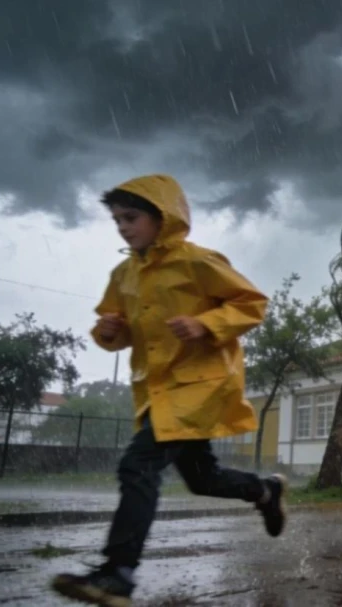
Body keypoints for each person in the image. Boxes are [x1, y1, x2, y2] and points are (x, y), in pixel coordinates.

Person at [52, 175, 283, 607]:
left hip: (200, 385)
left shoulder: (197, 262)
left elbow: (252, 303)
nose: (122, 226)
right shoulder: (124, 274)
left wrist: (205, 324)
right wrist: (107, 331)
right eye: (117, 219)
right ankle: (265, 490)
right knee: (202, 479)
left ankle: (117, 574)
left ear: (164, 218)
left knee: (137, 467)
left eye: (131, 217)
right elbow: (114, 328)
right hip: (158, 390)